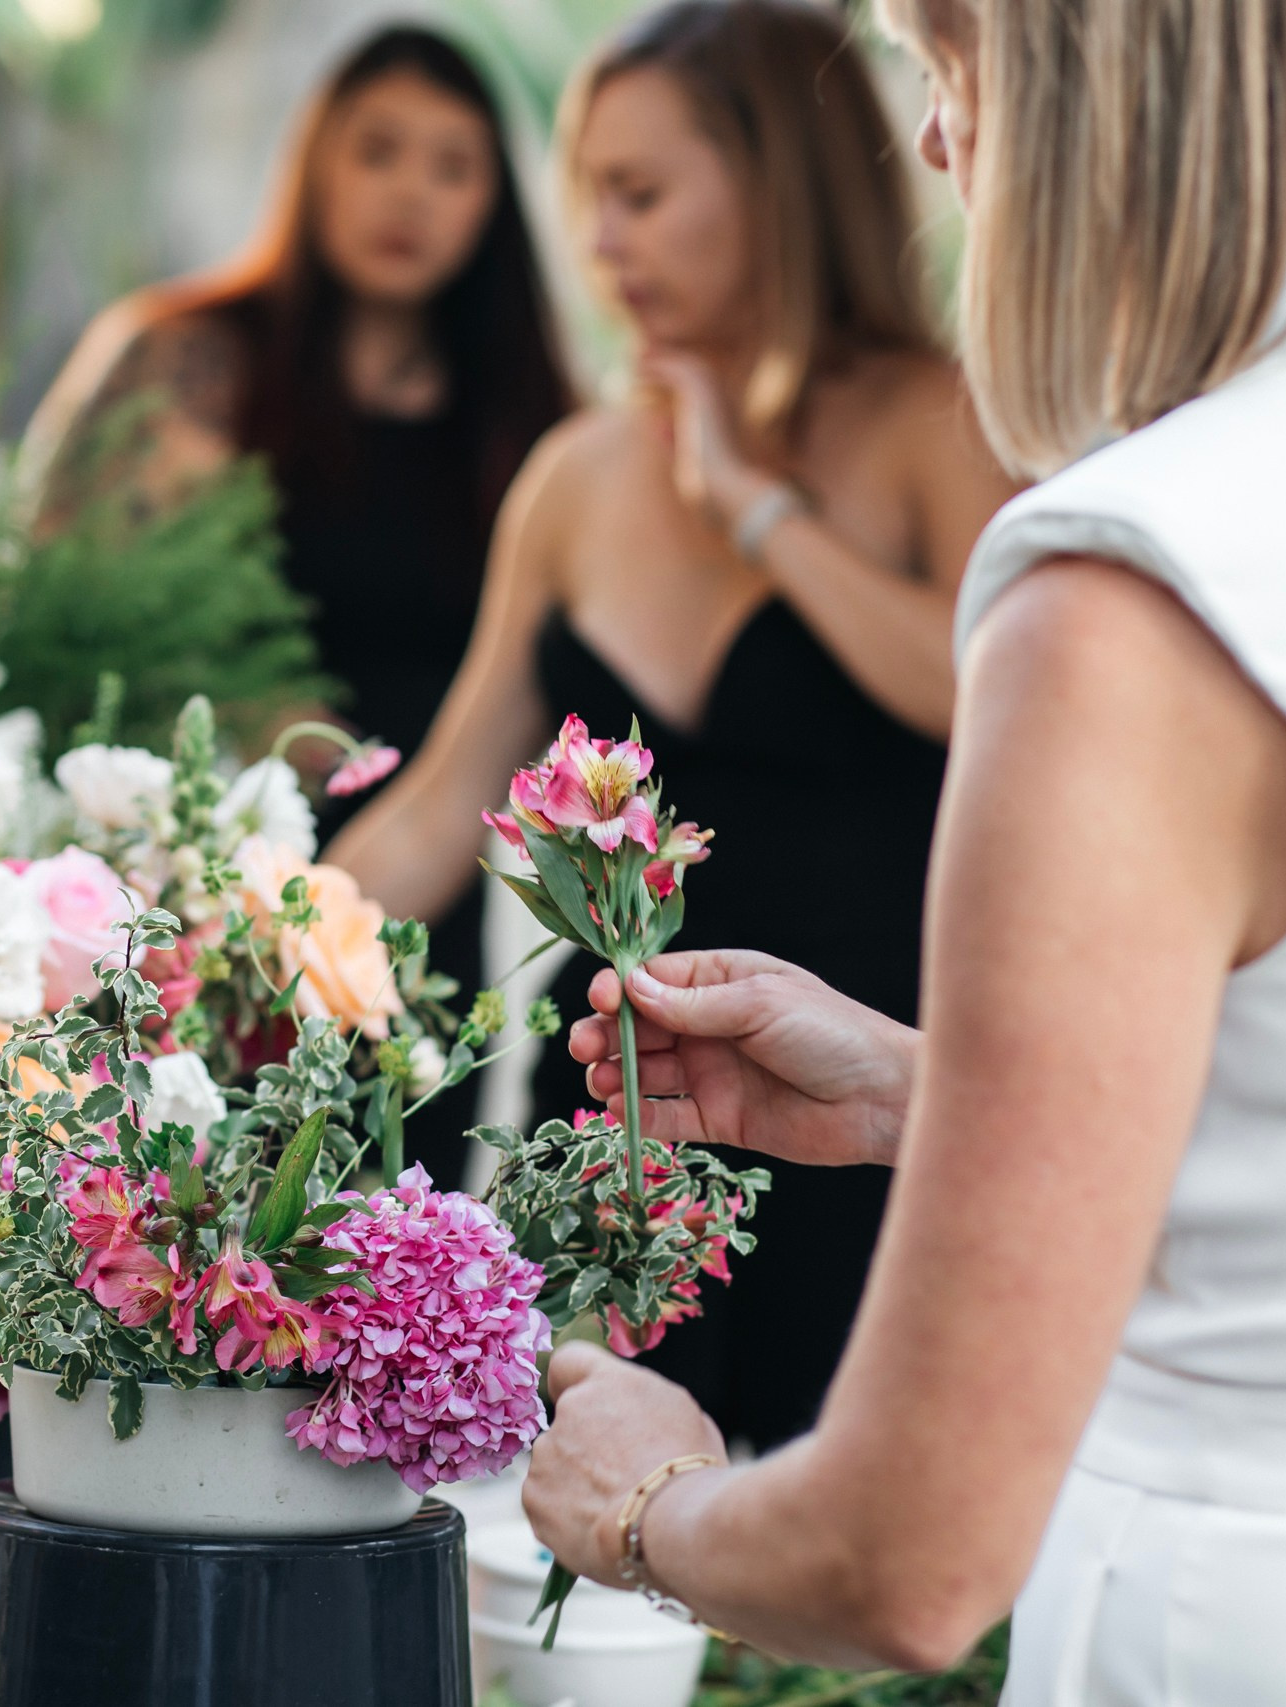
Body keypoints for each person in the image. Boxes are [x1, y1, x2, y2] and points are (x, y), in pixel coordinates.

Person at [521, 0, 1286, 1695]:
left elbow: (903, 1560)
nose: (934, 141)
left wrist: (643, 1496)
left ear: (1101, 93)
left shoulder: (1127, 594)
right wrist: (938, 1099)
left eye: (952, 69)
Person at [326, 0, 1017, 1452]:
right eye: (590, 201)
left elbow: (988, 688)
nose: (604, 243)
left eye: (641, 193)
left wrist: (756, 508)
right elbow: (447, 803)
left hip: (880, 1099)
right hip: (641, 1127)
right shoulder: (576, 478)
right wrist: (238, 940)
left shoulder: (941, 423)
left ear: (777, 185)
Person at [23, 25, 576, 1187]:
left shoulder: (530, 420)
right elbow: (58, 609)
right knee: (164, 1236)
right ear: (315, 159)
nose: (409, 194)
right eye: (378, 150)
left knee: (378, 1248)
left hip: (422, 902)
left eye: (452, 164)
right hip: (193, 872)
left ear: (494, 200)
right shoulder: (182, 361)